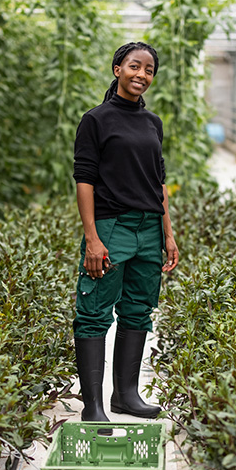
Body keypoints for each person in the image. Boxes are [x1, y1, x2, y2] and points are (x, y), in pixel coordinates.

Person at [72, 42, 179, 422]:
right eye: (135, 66)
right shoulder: (96, 120)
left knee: (138, 310)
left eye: (149, 70)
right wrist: (92, 238)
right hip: (111, 225)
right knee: (95, 311)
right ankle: (94, 406)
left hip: (148, 228)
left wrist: (167, 233)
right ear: (117, 69)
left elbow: (159, 182)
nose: (142, 75)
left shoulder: (153, 124)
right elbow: (84, 180)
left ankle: (127, 395)